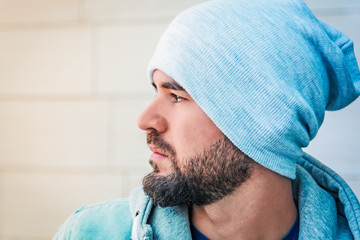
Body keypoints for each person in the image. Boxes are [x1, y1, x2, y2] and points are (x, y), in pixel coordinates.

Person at [54, 0, 360, 239]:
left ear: (264, 124)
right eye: (156, 91)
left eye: (177, 96)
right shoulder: (90, 232)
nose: (145, 120)